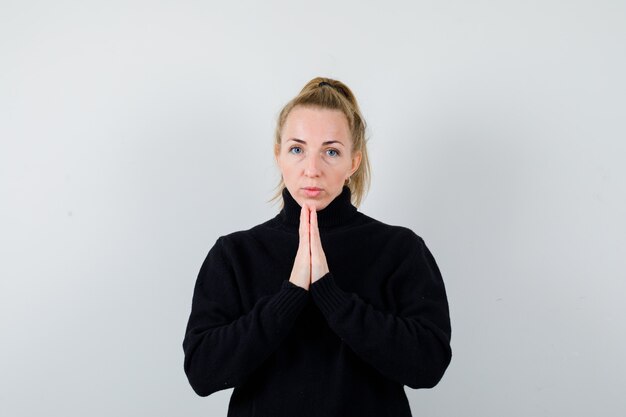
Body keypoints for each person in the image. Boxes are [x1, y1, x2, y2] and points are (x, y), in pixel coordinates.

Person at [182, 77, 452, 417]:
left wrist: (329, 293)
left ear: (353, 162)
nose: (312, 169)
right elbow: (203, 374)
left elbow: (428, 366)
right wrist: (292, 293)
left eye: (331, 151)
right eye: (297, 149)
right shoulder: (235, 254)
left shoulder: (399, 249)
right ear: (278, 155)